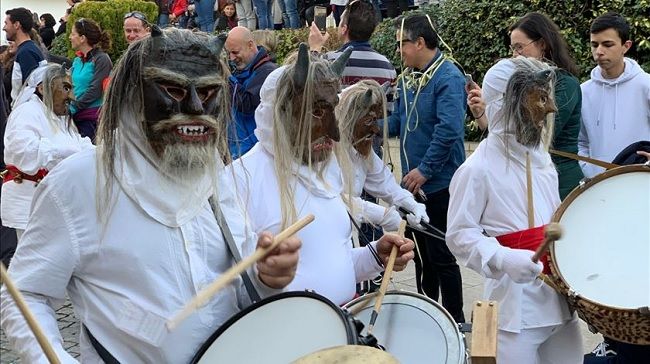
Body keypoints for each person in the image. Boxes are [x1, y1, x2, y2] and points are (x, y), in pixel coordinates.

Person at [0, 28, 301, 363]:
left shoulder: (213, 171)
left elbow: (239, 281)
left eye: (209, 91)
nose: (196, 107)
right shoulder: (78, 182)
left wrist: (266, 276)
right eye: (173, 90)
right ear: (134, 94)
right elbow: (24, 293)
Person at [230, 45, 415, 306]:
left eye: (333, 111)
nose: (335, 132)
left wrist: (375, 256)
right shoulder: (240, 181)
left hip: (341, 328)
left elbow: (332, 261)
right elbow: (228, 294)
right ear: (280, 113)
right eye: (317, 111)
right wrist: (265, 280)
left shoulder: (325, 172)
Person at [447, 57, 583, 363]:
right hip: (514, 310)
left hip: (559, 303)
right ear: (507, 104)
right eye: (539, 99)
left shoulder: (543, 159)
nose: (550, 109)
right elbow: (459, 235)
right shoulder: (477, 168)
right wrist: (503, 257)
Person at [387, 14, 466, 323]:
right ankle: (427, 315)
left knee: (442, 257)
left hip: (438, 183)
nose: (399, 50)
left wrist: (425, 170)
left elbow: (449, 130)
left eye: (401, 43)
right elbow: (398, 122)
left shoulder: (448, 76)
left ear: (419, 42)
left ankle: (455, 321)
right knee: (422, 257)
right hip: (413, 185)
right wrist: (368, 124)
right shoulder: (409, 77)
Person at [468, 12, 585, 200]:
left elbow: (535, 135)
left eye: (520, 48)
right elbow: (503, 134)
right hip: (533, 178)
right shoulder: (526, 85)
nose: (515, 56)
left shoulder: (566, 84)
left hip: (562, 185)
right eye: (513, 49)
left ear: (542, 44)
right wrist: (483, 111)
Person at [1, 63, 93, 240]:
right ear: (43, 88)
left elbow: (82, 146)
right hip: (29, 204)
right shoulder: (26, 112)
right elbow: (24, 151)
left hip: (55, 205)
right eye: (65, 88)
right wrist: (67, 153)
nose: (71, 97)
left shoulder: (60, 119)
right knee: (35, 263)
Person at [335, 80, 428, 235]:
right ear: (349, 120)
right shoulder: (327, 151)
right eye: (369, 121)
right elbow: (334, 200)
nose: (376, 128)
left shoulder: (362, 150)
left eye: (376, 120)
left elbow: (386, 184)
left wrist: (412, 205)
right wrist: (384, 215)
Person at [578, 12, 650, 178]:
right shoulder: (583, 91)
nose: (599, 51)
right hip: (599, 185)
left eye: (607, 44)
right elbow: (580, 141)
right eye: (594, 45)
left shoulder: (646, 85)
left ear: (626, 46)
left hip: (641, 181)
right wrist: (588, 169)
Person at [225, 26, 277, 159]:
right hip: (237, 151)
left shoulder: (267, 71)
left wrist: (227, 77)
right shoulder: (244, 70)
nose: (231, 58)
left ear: (250, 45)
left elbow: (246, 104)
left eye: (235, 52)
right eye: (228, 53)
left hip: (254, 153)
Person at [69, 18, 112, 141]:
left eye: (73, 34)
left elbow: (96, 89)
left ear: (82, 38)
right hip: (74, 116)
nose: (70, 37)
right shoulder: (77, 60)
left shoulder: (102, 59)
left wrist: (74, 107)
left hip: (91, 120)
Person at [3, 7, 46, 103]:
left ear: (17, 25)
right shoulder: (27, 49)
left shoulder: (26, 52)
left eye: (6, 23)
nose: (4, 28)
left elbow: (33, 90)